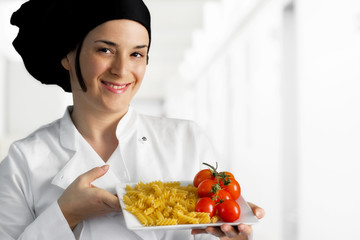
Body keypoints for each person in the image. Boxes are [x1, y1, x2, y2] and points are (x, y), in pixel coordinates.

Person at [0, 0, 265, 239]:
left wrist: (235, 235)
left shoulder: (187, 140)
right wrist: (66, 214)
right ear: (68, 56)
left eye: (137, 54)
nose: (121, 70)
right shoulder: (23, 160)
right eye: (105, 50)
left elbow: (210, 231)